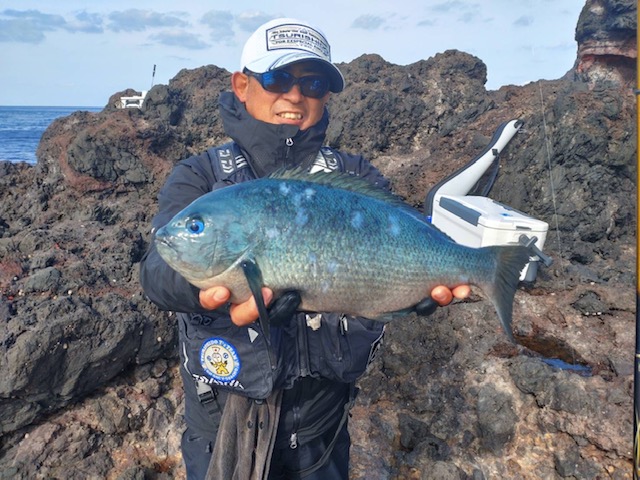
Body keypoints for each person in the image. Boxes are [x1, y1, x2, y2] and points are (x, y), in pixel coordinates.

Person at [139, 17, 470, 480]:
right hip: (221, 426)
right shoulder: (200, 177)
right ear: (242, 84)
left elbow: (400, 246)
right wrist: (207, 291)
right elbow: (156, 267)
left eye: (312, 83)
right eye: (276, 78)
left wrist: (414, 291)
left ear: (326, 96)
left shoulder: (357, 176)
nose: (294, 96)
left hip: (320, 428)